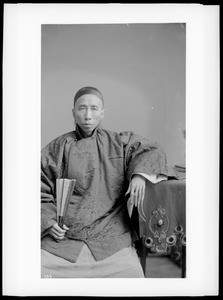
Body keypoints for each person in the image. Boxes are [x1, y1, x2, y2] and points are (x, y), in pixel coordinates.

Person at [41, 86, 168, 278]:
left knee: (132, 273)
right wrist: (50, 222)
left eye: (94, 109)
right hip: (65, 236)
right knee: (38, 270)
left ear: (102, 113)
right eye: (82, 108)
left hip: (109, 232)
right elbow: (37, 187)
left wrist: (139, 175)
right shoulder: (56, 148)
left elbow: (150, 150)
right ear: (73, 112)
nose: (88, 115)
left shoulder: (117, 142)